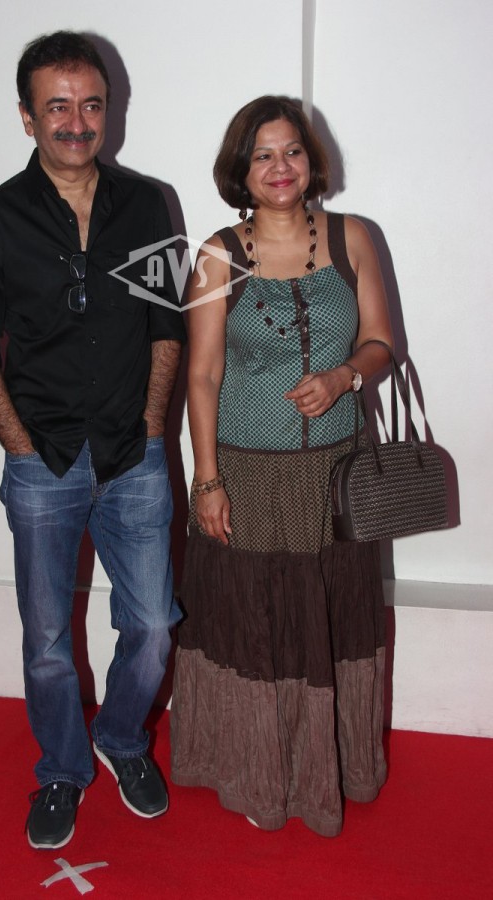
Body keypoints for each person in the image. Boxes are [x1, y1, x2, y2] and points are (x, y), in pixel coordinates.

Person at [0, 31, 186, 850]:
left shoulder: (149, 205)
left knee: (153, 625)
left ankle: (121, 739)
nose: (77, 122)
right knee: (49, 643)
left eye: (90, 104)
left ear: (108, 109)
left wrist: (151, 430)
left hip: (135, 455)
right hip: (41, 460)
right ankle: (61, 769)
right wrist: (19, 446)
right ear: (27, 117)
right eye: (57, 106)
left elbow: (168, 328)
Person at [170, 96, 393, 836]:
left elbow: (381, 342)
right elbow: (201, 375)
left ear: (311, 159)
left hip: (334, 475)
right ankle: (256, 771)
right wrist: (206, 479)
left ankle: (329, 769)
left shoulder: (353, 237)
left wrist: (344, 376)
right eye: (262, 154)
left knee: (326, 619)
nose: (279, 167)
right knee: (256, 624)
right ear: (241, 170)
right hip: (249, 474)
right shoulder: (217, 255)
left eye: (292, 150)